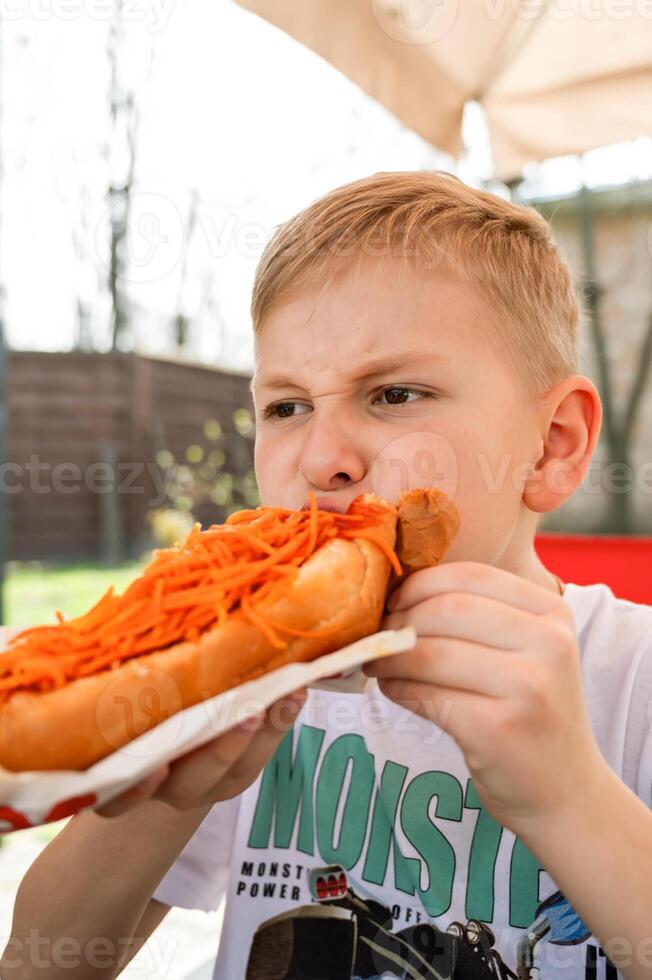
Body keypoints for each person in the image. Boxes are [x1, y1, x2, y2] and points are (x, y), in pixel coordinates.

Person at [3, 170, 652, 980]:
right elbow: (39, 966)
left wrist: (568, 797)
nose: (321, 459)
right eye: (286, 406)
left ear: (553, 445)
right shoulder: (261, 683)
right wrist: (165, 785)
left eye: (395, 393)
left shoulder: (634, 677)